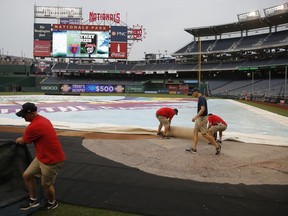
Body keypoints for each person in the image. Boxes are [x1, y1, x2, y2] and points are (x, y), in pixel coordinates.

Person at [15, 102, 65, 211]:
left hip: (52, 160)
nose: (23, 117)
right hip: (42, 156)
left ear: (32, 114)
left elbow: (23, 141)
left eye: (24, 115)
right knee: (27, 175)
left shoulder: (34, 126)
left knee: (46, 185)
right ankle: (34, 200)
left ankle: (52, 203)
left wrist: (18, 140)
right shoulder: (43, 119)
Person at [186, 88, 221, 155]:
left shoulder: (201, 98)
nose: (192, 94)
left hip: (202, 118)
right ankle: (194, 148)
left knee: (204, 134)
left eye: (193, 93)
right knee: (195, 131)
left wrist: (195, 117)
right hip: (200, 118)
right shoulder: (201, 98)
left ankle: (217, 146)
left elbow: (203, 109)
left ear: (196, 92)